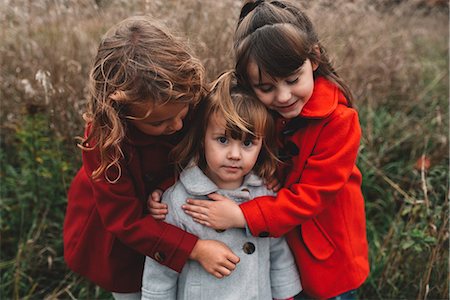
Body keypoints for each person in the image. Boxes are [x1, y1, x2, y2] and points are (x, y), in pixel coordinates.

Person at [178, 1, 370, 299]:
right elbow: (216, 141)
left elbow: (311, 196)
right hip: (277, 255)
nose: (283, 96)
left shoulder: (339, 122)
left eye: (293, 80)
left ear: (314, 58)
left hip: (327, 258)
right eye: (266, 87)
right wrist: (167, 193)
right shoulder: (256, 111)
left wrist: (241, 216)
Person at [63, 16, 240, 300]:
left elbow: (200, 153)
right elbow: (125, 221)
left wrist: (167, 185)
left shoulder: (187, 93)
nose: (177, 126)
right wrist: (194, 249)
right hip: (125, 238)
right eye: (160, 123)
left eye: (181, 113)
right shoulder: (104, 141)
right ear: (119, 107)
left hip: (182, 220)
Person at [142, 71, 301, 300]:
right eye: (223, 140)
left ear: (262, 146)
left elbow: (277, 252)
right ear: (202, 139)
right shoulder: (177, 200)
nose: (234, 155)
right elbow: (161, 268)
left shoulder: (264, 193)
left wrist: (286, 295)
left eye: (247, 143)